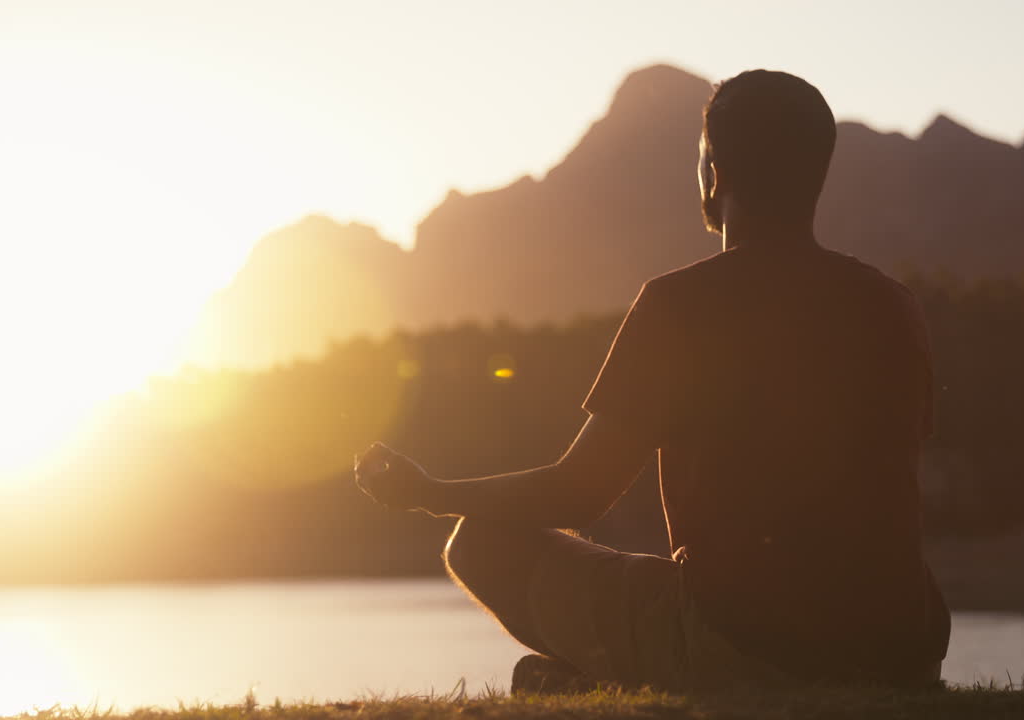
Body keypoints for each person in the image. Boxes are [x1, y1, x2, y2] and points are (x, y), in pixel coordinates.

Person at [353, 69, 950, 692]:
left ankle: (620, 679)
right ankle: (594, 680)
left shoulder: (680, 305)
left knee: (479, 540)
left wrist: (429, 491)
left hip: (752, 645)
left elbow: (577, 493)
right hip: (902, 655)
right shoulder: (893, 306)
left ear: (713, 172)